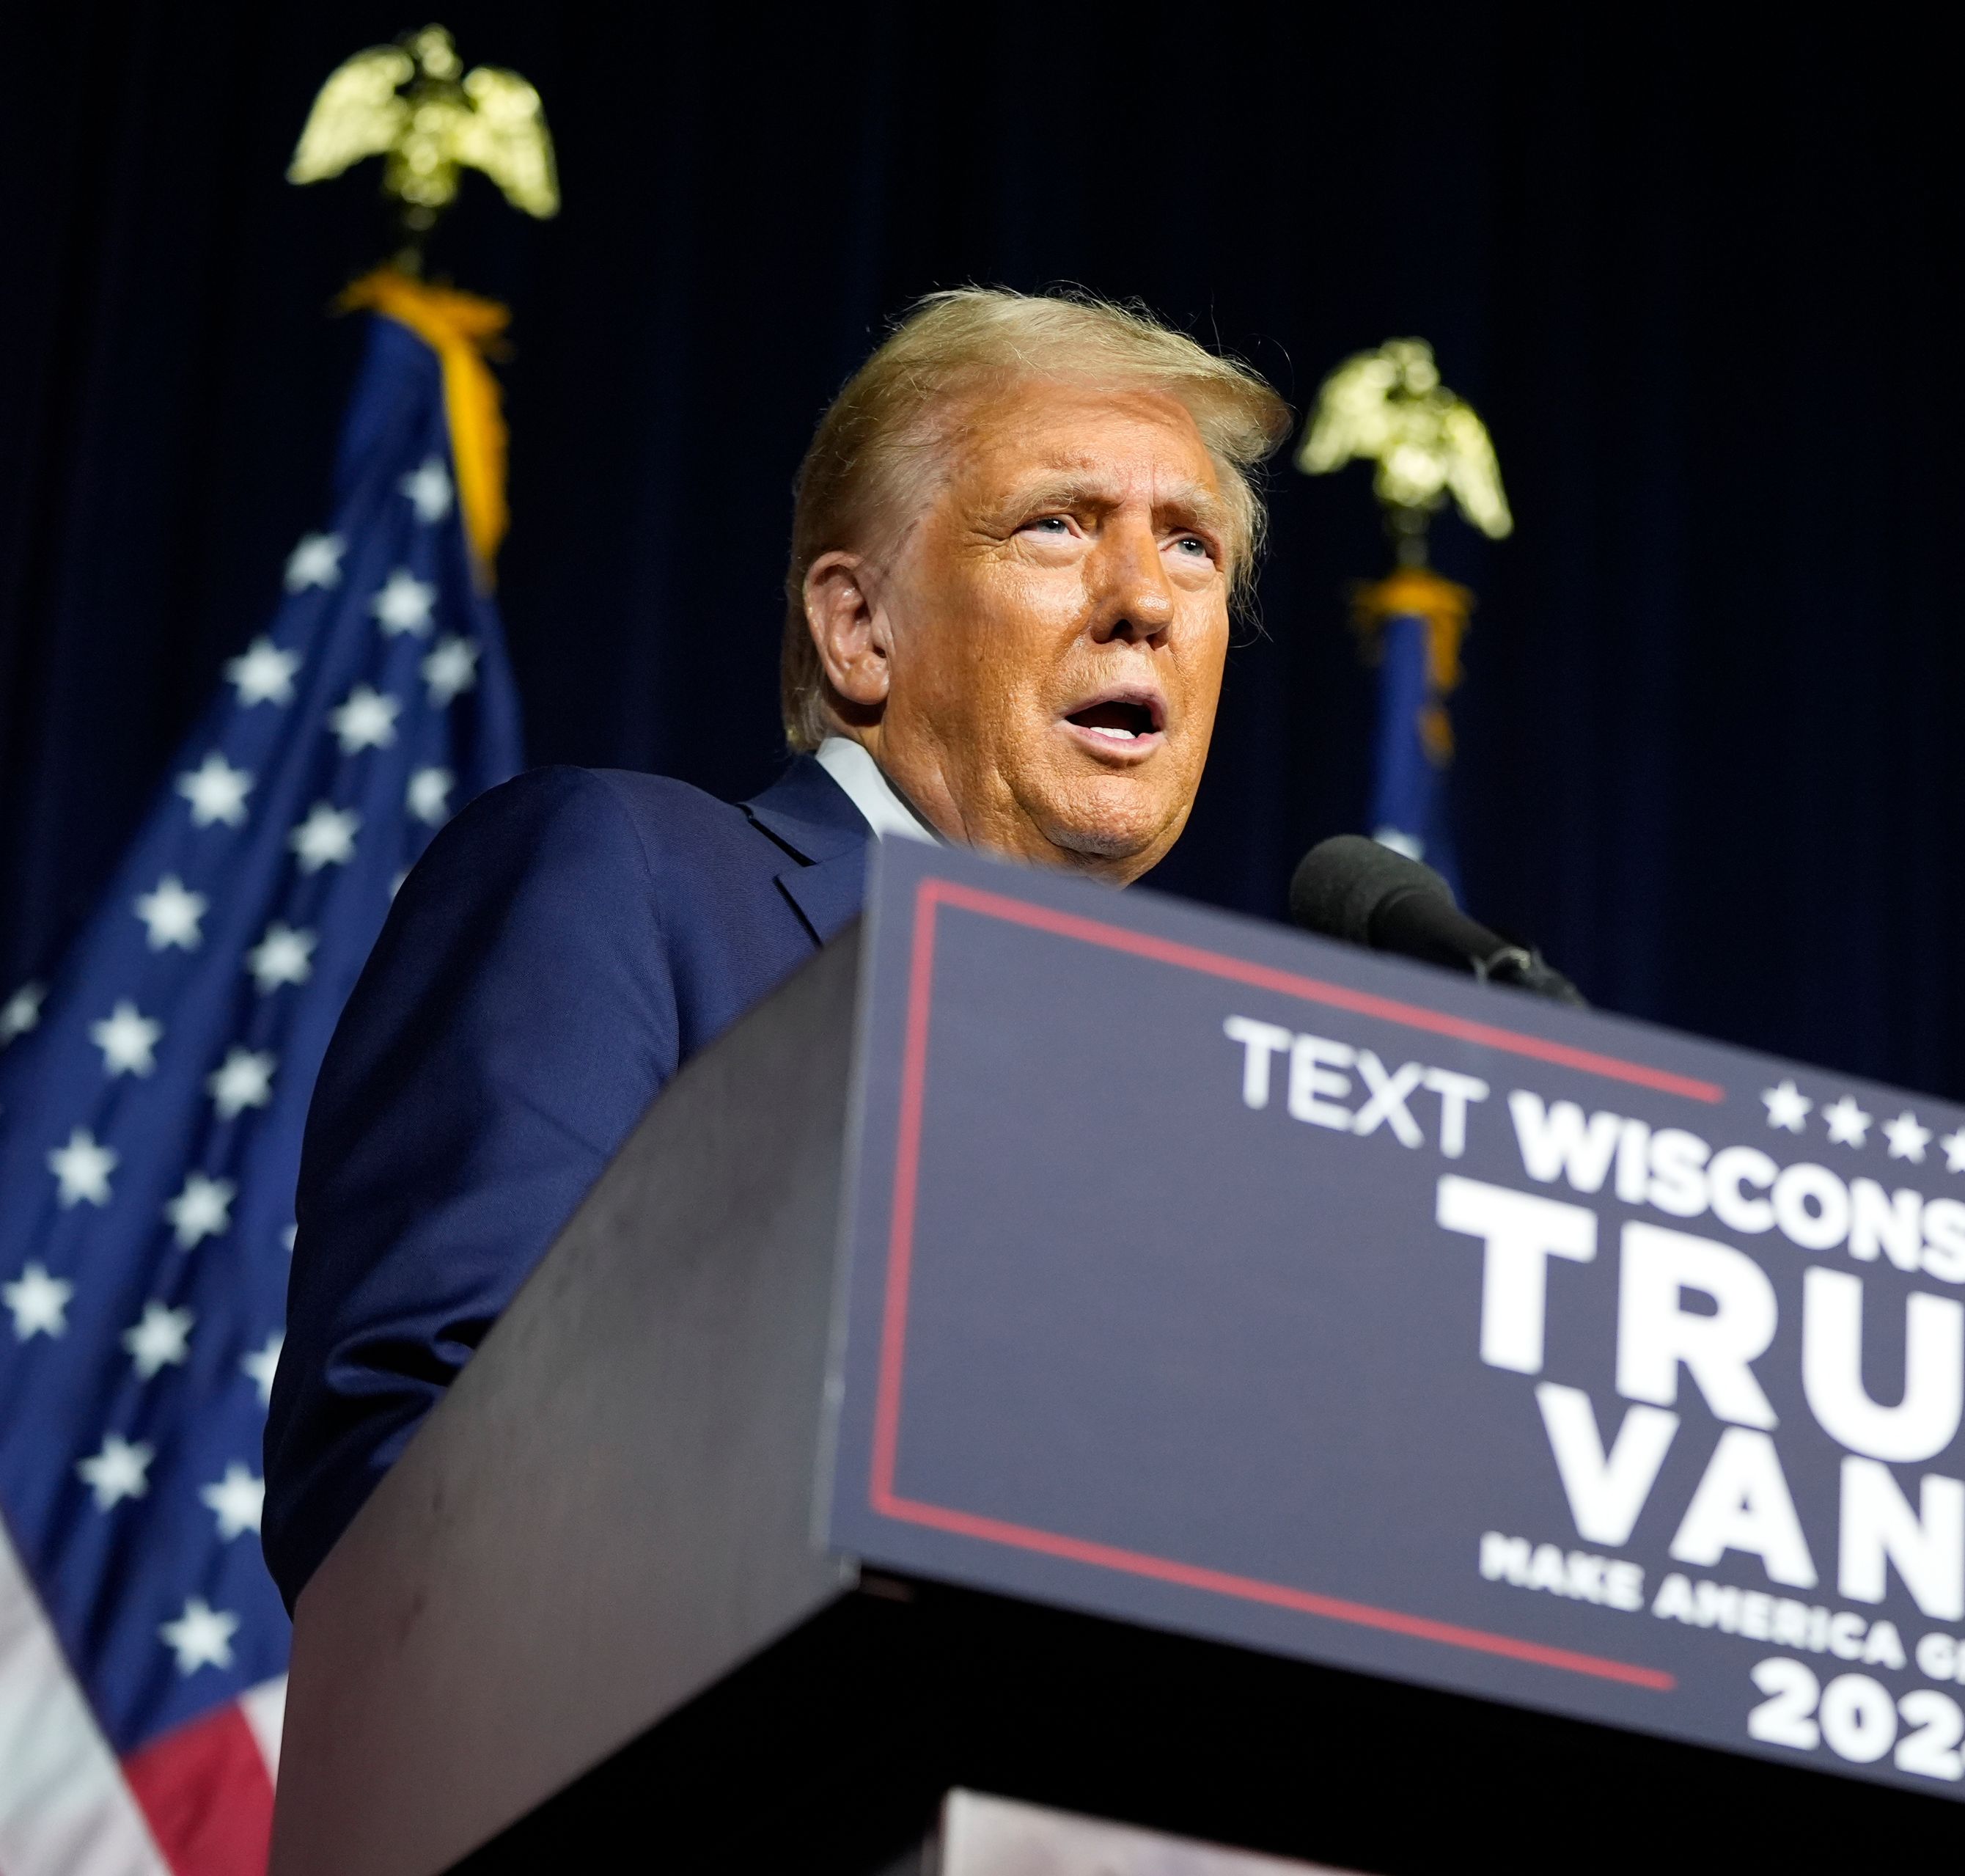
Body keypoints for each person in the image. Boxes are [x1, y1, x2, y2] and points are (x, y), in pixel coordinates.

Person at [262, 290, 1292, 1608]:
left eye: (1194, 547)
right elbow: (410, 1468)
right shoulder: (625, 879)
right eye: (1058, 523)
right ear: (860, 630)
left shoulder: (1208, 1107)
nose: (1146, 597)